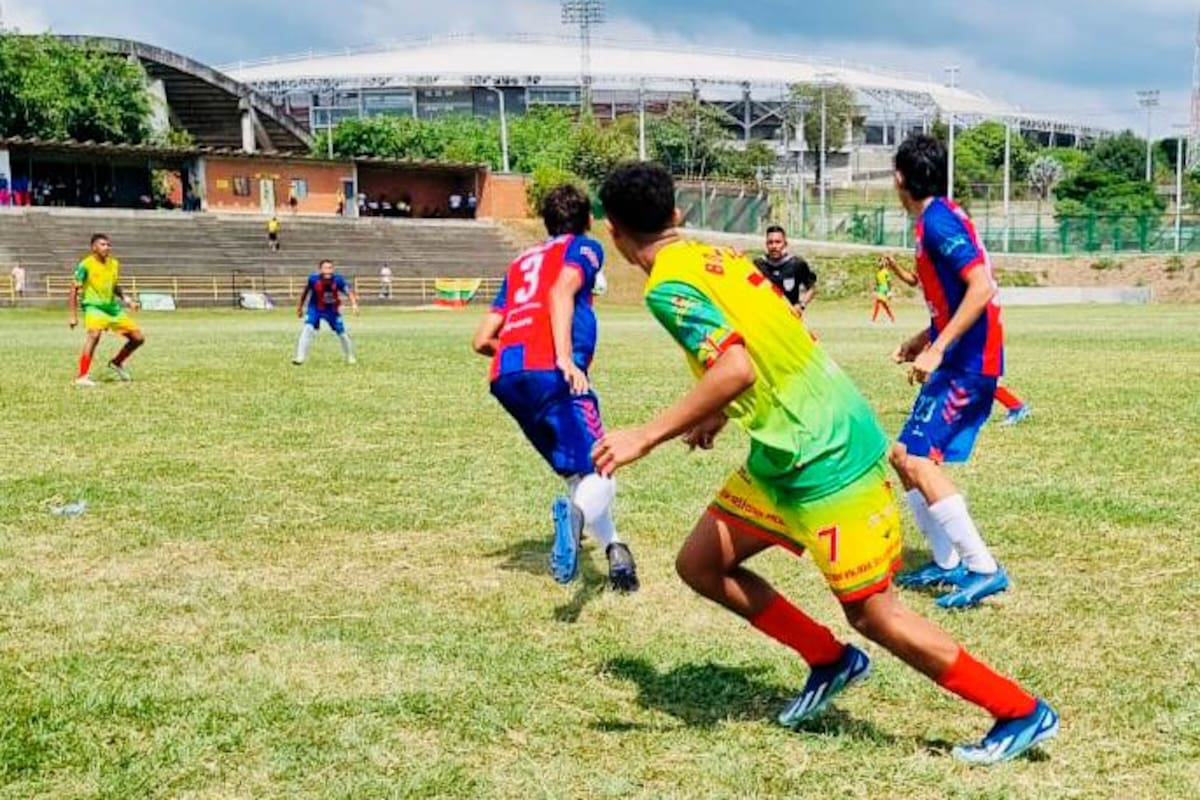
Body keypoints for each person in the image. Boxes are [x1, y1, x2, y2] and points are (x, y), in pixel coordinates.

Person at [592, 161, 1057, 765]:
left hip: (825, 453)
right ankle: (829, 659)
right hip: (785, 451)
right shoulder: (718, 258)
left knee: (874, 613)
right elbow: (772, 341)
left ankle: (1019, 711)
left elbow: (737, 367)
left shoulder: (666, 287)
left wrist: (644, 436)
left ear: (613, 233)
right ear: (676, 215)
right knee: (702, 563)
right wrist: (719, 413)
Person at [472, 184, 638, 593]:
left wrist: (524, 353)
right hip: (553, 371)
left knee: (577, 470)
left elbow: (481, 339)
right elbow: (560, 291)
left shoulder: (520, 261)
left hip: (506, 375)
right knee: (602, 465)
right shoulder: (584, 247)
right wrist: (562, 358)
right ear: (586, 221)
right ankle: (575, 521)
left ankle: (616, 550)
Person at [886, 134, 1010, 610]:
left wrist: (937, 349)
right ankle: (945, 561)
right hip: (955, 356)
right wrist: (923, 339)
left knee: (920, 462)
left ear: (901, 178)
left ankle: (984, 568)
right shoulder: (933, 220)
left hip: (968, 362)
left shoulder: (937, 222)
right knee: (903, 455)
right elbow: (955, 298)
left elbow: (981, 287)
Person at [885, 257, 1032, 427]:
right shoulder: (932, 276)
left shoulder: (948, 284)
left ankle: (924, 411)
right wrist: (895, 266)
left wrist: (928, 348)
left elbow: (955, 319)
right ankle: (1015, 406)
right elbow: (914, 280)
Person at [68, 234, 145, 387]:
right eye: (103, 244)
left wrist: (128, 300)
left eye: (109, 245)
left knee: (138, 338)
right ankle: (82, 376)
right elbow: (73, 289)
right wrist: (72, 316)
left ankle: (116, 363)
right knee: (94, 335)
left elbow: (114, 286)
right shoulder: (85, 265)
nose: (107, 247)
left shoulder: (114, 263)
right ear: (94, 247)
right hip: (93, 306)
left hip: (112, 308)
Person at [293, 260, 359, 366]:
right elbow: (305, 292)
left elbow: (349, 293)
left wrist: (354, 304)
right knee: (308, 328)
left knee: (342, 333)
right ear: (320, 269)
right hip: (315, 308)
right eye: (325, 268)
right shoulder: (313, 279)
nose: (328, 270)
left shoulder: (338, 280)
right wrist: (300, 307)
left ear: (333, 269)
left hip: (332, 310)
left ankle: (350, 356)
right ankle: (300, 357)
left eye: (330, 268)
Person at [753, 225, 817, 314]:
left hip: (789, 317)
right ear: (766, 244)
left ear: (785, 243)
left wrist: (801, 305)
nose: (774, 246)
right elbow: (749, 286)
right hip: (764, 316)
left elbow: (811, 288)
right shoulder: (758, 264)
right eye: (770, 242)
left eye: (778, 242)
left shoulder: (796, 264)